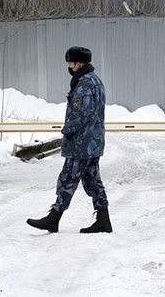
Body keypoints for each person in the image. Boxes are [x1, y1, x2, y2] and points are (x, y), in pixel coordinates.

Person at [26, 45, 112, 234]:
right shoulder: (95, 81)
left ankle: (53, 218)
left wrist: (67, 130)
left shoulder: (85, 83)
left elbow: (80, 113)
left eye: (71, 63)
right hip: (92, 141)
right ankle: (103, 219)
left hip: (82, 143)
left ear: (78, 63)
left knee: (67, 179)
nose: (69, 66)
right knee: (92, 180)